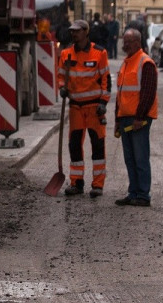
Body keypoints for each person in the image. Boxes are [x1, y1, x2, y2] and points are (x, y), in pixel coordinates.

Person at [57, 20, 111, 198]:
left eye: (77, 31)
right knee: (74, 145)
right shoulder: (66, 54)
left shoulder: (99, 53)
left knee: (97, 145)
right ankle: (76, 183)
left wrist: (103, 101)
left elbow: (106, 80)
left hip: (94, 107)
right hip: (75, 108)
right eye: (72, 31)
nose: (73, 34)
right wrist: (61, 87)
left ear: (86, 32)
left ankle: (97, 185)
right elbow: (61, 76)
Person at [114, 29, 157, 207]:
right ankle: (133, 193)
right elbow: (121, 94)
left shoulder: (145, 62)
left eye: (129, 41)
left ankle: (143, 195)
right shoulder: (126, 63)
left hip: (138, 119)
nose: (125, 44)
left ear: (138, 43)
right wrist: (117, 119)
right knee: (130, 159)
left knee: (140, 158)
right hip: (125, 118)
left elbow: (147, 93)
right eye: (124, 41)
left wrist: (139, 117)